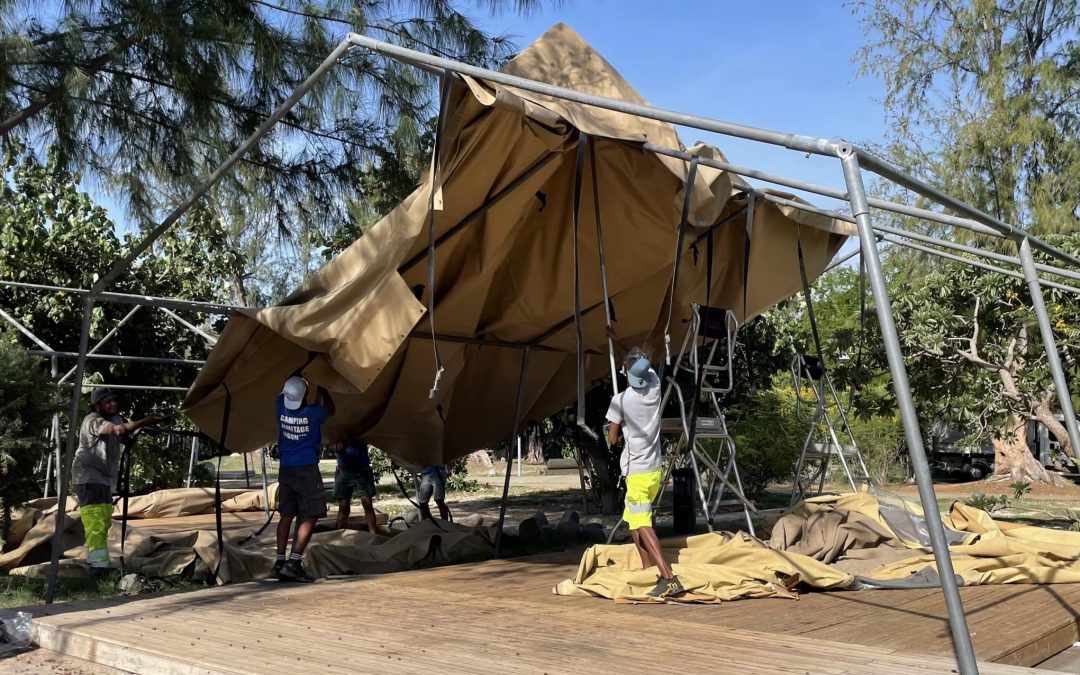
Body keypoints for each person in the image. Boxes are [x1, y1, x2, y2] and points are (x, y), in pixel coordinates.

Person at [605, 333, 685, 599]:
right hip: (654, 468)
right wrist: (614, 338)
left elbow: (612, 439)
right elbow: (639, 360)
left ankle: (668, 578)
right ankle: (647, 570)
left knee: (643, 523)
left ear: (626, 373)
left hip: (636, 471)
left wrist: (614, 429)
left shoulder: (620, 401)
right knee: (632, 522)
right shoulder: (654, 386)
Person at [73, 387, 163, 573]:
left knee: (104, 519)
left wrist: (139, 431)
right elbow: (116, 431)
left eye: (113, 400)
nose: (112, 403)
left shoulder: (114, 418)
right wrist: (144, 420)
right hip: (89, 477)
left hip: (104, 479)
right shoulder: (92, 420)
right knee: (95, 521)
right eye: (107, 401)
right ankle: (98, 568)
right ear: (96, 405)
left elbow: (124, 438)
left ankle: (95, 560)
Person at [273, 375, 334, 582]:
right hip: (307, 469)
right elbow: (331, 410)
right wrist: (324, 389)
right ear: (305, 395)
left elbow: (287, 389)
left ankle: (279, 561)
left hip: (286, 468)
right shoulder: (314, 413)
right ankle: (294, 563)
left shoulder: (280, 406)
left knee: (286, 514)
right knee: (310, 514)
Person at [333, 434, 380, 534]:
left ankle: (373, 536)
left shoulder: (360, 425)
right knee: (343, 506)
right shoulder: (339, 427)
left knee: (367, 503)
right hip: (344, 470)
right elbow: (333, 442)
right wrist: (338, 446)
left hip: (362, 469)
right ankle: (339, 536)